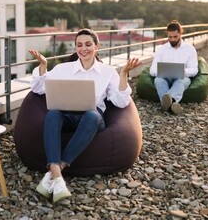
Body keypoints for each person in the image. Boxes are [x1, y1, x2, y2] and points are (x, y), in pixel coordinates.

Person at [29, 28, 142, 203]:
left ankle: (54, 172)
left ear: (96, 46)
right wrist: (43, 66)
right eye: (79, 45)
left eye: (88, 44)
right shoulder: (62, 69)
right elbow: (38, 89)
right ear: (75, 47)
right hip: (67, 116)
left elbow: (121, 102)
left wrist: (124, 73)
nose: (84, 49)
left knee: (92, 115)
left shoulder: (107, 71)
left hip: (92, 120)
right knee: (52, 115)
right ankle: (57, 175)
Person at [149, 20, 198, 114]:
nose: (172, 39)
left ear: (180, 34)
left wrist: (182, 71)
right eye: (170, 37)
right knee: (158, 80)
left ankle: (166, 103)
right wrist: (162, 71)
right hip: (164, 77)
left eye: (175, 36)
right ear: (167, 35)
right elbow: (152, 69)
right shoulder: (161, 49)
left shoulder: (190, 49)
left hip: (182, 77)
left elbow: (194, 70)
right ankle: (172, 105)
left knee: (180, 83)